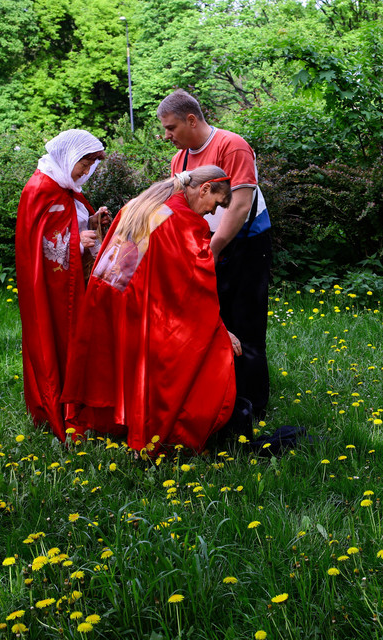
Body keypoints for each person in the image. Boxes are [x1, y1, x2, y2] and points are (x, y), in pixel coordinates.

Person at [62, 166, 242, 453]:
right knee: (196, 351)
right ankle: (165, 431)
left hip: (109, 295)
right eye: (216, 205)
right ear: (205, 189)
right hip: (136, 301)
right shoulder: (182, 220)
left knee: (117, 364)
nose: (212, 214)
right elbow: (192, 286)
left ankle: (118, 422)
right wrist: (220, 330)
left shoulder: (143, 202)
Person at [157, 89, 272, 418]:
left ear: (191, 120)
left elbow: (240, 204)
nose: (167, 136)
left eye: (171, 128)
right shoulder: (178, 160)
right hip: (204, 246)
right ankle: (222, 397)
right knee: (212, 322)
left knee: (245, 324)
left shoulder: (231, 145)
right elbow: (177, 208)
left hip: (246, 244)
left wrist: (213, 248)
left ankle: (253, 406)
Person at [15, 129, 109, 441]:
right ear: (68, 156)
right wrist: (77, 242)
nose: (86, 171)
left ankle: (82, 406)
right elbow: (40, 246)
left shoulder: (67, 189)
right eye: (84, 163)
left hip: (75, 283)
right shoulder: (40, 189)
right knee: (56, 341)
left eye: (90, 165)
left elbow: (70, 223)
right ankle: (60, 408)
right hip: (53, 292)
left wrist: (94, 222)